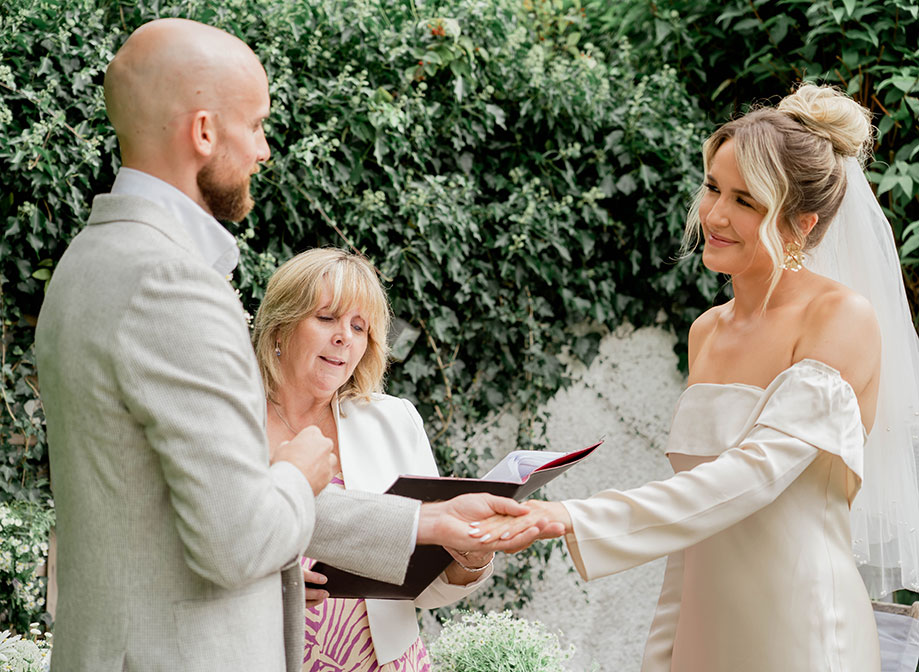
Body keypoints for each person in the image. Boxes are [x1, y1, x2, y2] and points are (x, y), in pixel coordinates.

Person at [34, 18, 555, 672]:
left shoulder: (86, 265)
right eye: (255, 125)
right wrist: (297, 472)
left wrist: (430, 522)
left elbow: (189, 502)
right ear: (203, 131)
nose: (263, 150)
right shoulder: (174, 285)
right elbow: (236, 539)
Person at [476, 83, 919, 671]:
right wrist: (664, 653)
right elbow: (696, 520)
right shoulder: (706, 331)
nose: (714, 214)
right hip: (703, 632)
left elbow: (749, 476)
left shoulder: (840, 317)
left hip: (804, 629)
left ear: (800, 223)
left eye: (747, 200)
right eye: (713, 186)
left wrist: (570, 515)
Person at [252, 247, 495, 670]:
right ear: (279, 327)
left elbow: (422, 588)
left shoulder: (393, 421)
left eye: (359, 326)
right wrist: (254, 593)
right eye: (326, 318)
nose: (344, 336)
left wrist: (469, 564)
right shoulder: (228, 423)